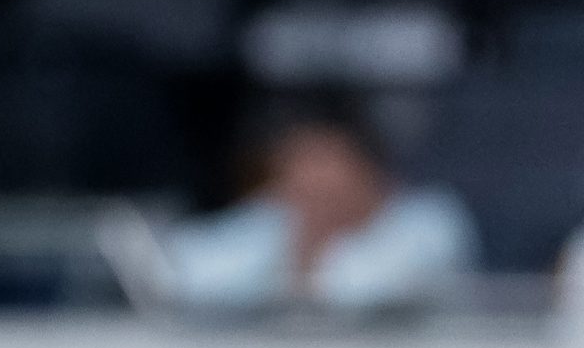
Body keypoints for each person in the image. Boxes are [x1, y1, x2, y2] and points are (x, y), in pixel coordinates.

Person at [145, 96, 478, 313]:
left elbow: (361, 292)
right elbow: (184, 269)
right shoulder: (278, 218)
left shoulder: (432, 221)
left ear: (372, 170)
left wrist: (310, 251)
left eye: (323, 163)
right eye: (295, 166)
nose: (308, 182)